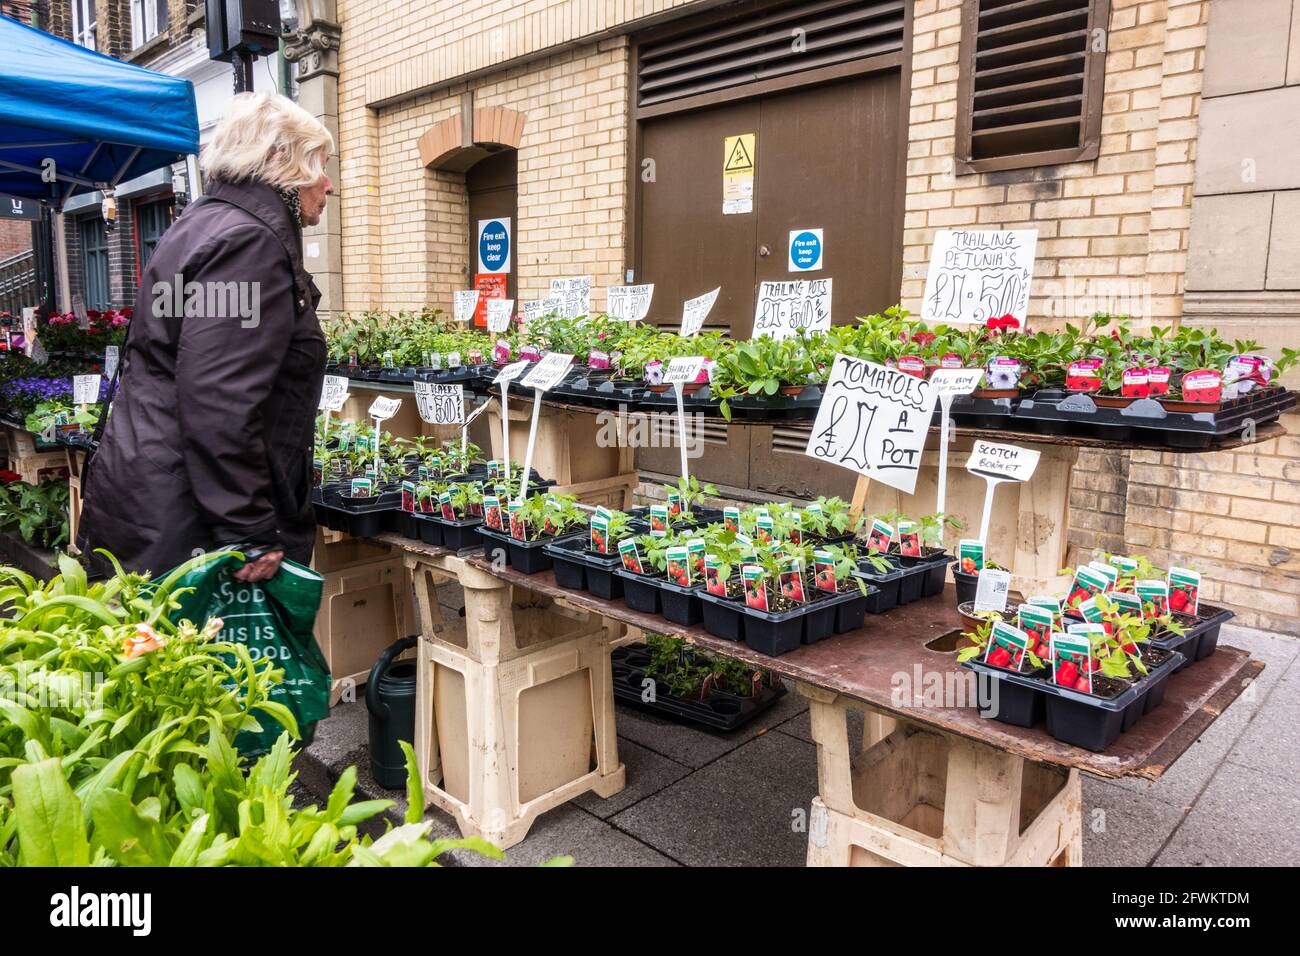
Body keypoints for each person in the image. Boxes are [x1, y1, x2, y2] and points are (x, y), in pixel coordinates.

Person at [79, 93, 334, 583]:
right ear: (282, 163)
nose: (328, 184)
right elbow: (219, 398)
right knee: (214, 657)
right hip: (188, 523)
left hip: (159, 495)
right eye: (319, 165)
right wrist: (251, 532)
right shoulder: (248, 242)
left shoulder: (202, 223)